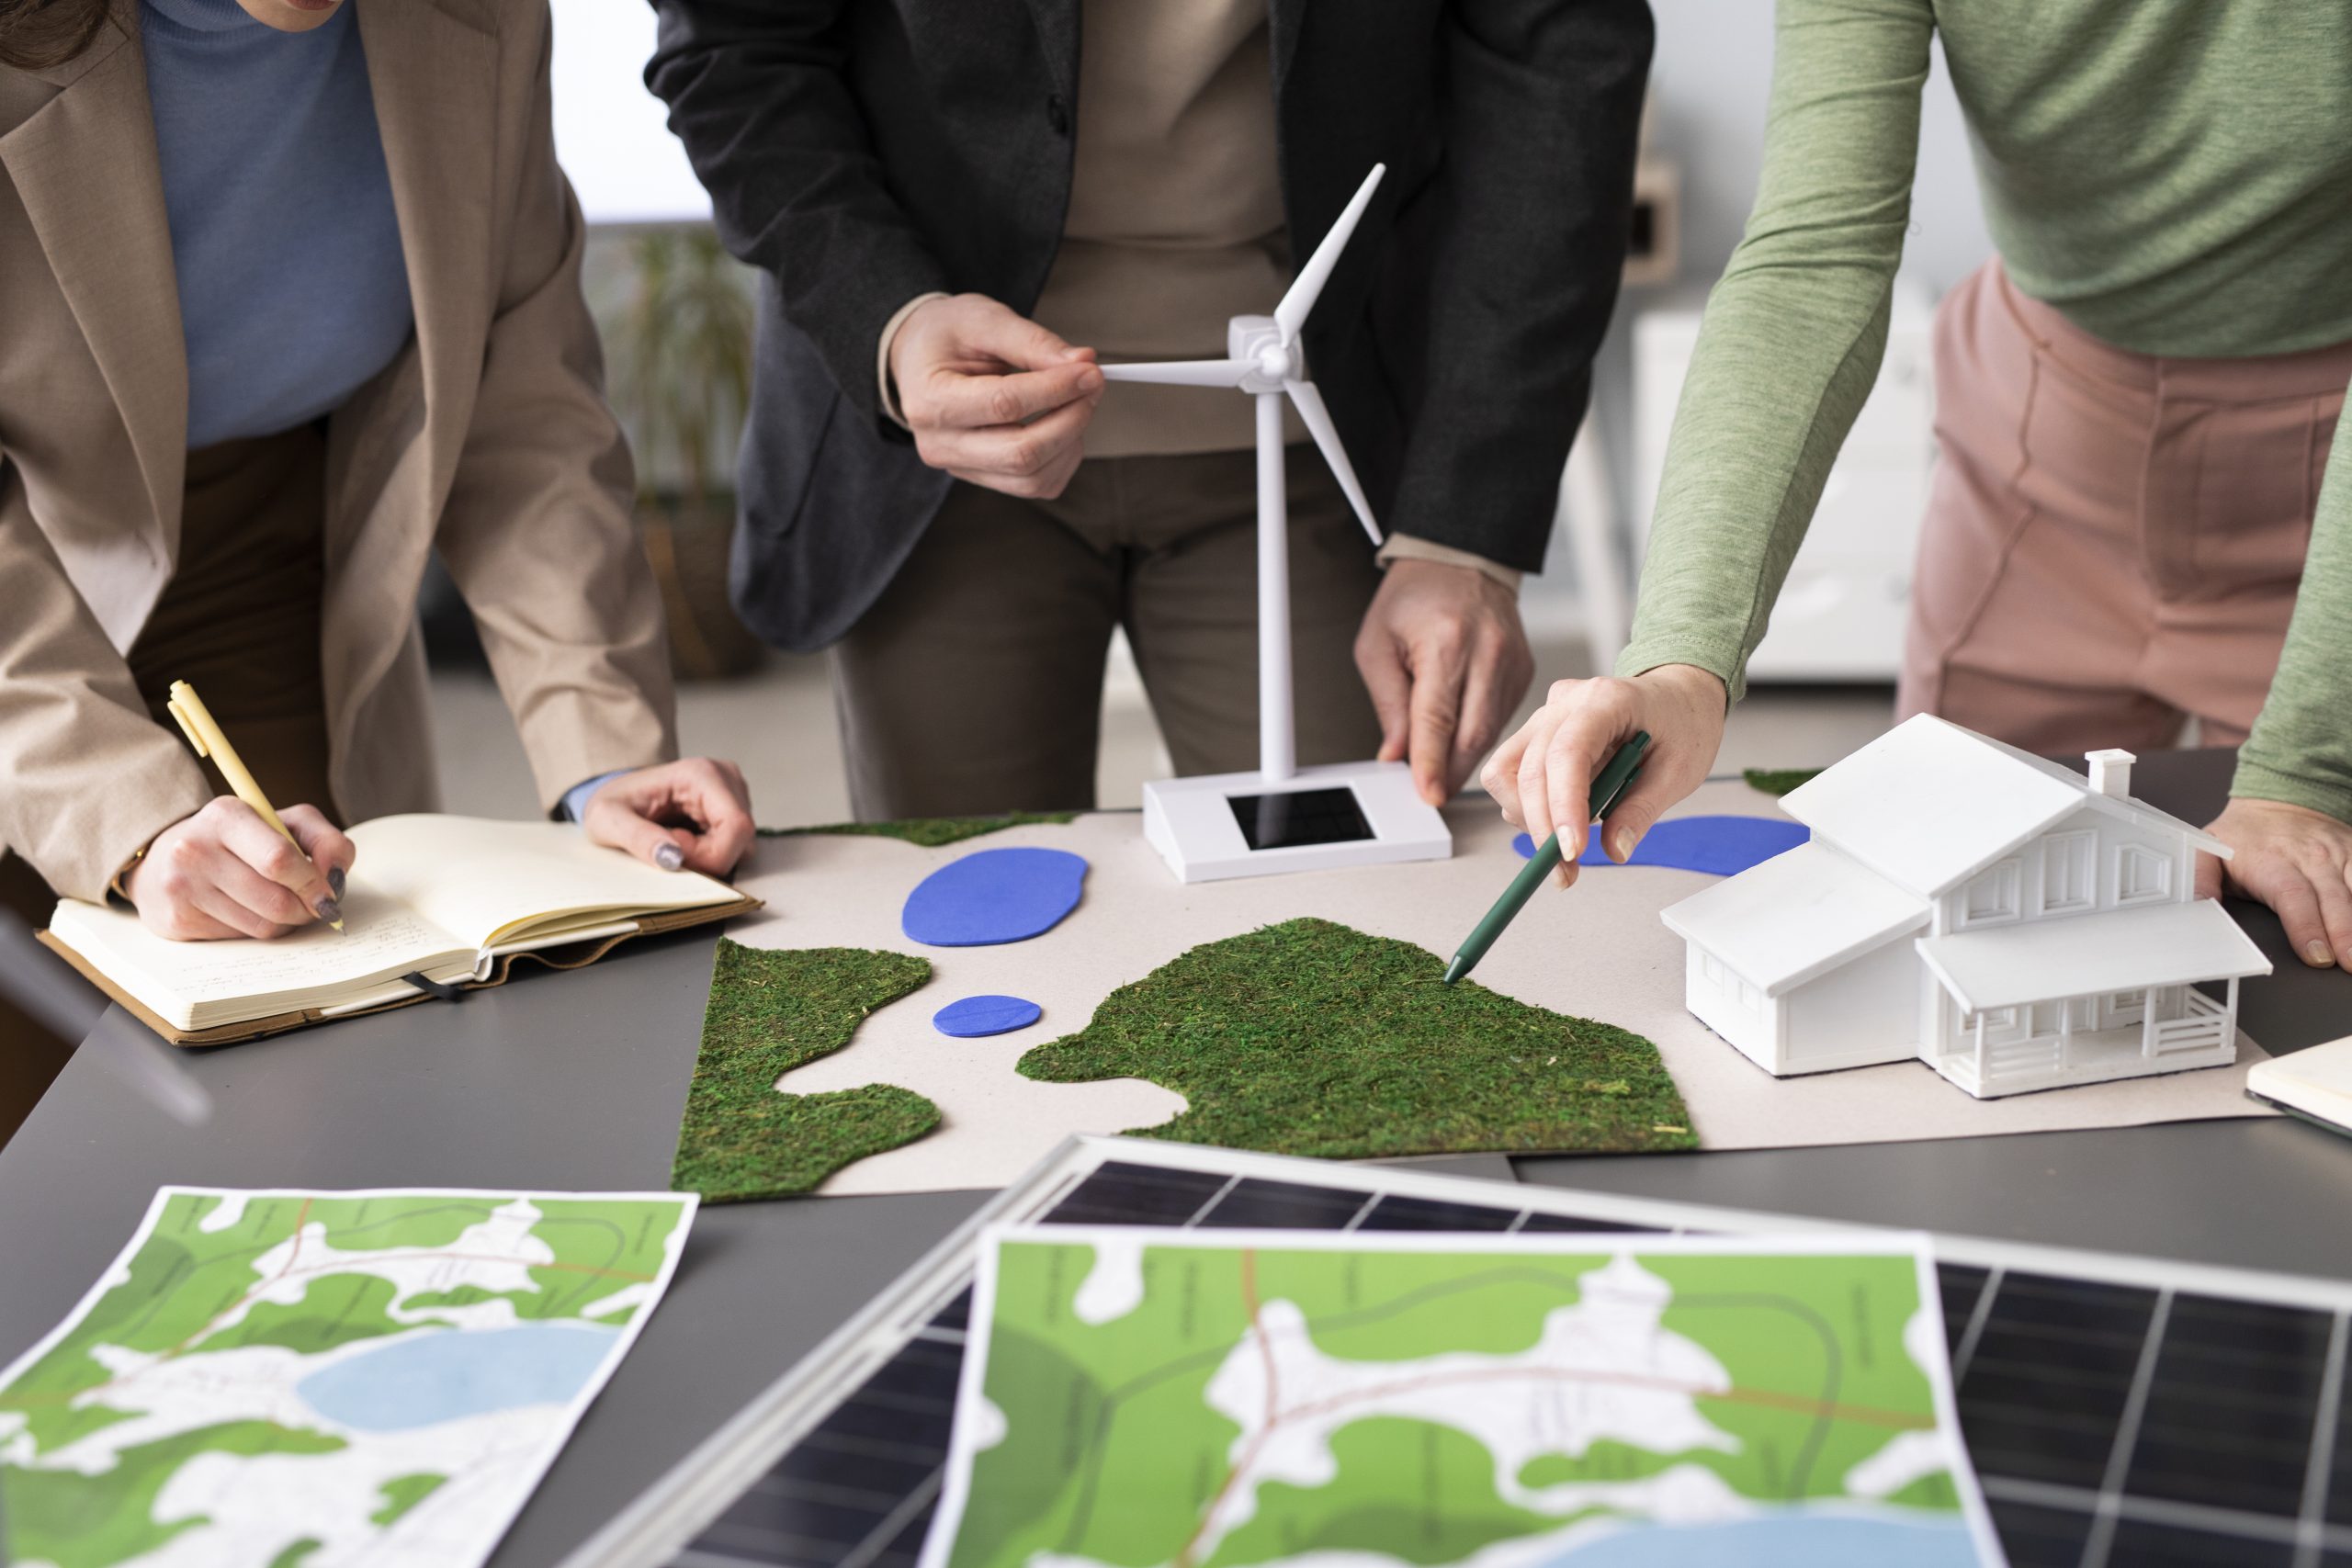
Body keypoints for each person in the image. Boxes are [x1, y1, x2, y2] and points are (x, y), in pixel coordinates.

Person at [1487, 0, 2352, 972]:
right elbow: (1813, 259)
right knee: (1948, 908)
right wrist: (1679, 666)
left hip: (2329, 501)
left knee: (2293, 965)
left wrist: (2313, 765)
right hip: (2042, 447)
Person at [647, 0, 1653, 819]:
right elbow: (738, 49)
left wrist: (1463, 533)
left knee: (1354, 902)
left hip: (1320, 418)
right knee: (975, 917)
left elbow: (1559, 68)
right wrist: (889, 317)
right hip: (938, 446)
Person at [0, 0, 756, 945]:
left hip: (276, 542)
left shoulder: (486, 17)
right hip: (22, 544)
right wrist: (125, 814)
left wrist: (601, 758)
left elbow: (521, 399)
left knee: (301, 983)